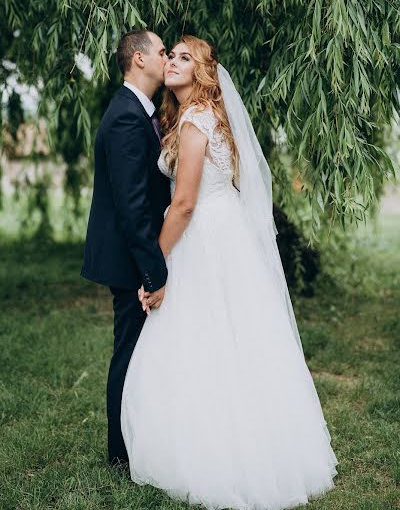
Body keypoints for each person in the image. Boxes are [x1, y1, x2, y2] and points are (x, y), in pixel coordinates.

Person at [120, 35, 338, 509]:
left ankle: (219, 451)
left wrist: (154, 267)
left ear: (200, 71)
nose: (172, 62)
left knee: (206, 336)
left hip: (205, 239)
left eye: (182, 57)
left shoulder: (197, 120)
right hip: (221, 234)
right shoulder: (195, 118)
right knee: (231, 338)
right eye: (169, 55)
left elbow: (183, 203)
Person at [81, 30, 171, 466]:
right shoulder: (125, 117)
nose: (167, 57)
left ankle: (142, 440)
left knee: (141, 350)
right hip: (129, 260)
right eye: (161, 51)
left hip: (137, 255)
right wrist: (153, 274)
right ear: (138, 59)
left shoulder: (141, 112)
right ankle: (120, 453)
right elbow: (133, 205)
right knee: (130, 352)